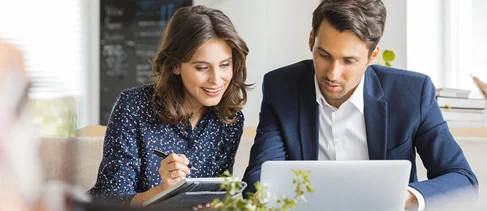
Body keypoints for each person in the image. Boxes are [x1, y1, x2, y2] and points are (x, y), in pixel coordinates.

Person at [242, 0, 477, 210]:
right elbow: (257, 180)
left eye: (348, 61)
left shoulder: (412, 93)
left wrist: (403, 197)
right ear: (311, 40)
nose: (333, 74)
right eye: (324, 55)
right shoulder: (281, 87)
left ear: (373, 55)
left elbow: (462, 178)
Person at [88, 5, 250, 207]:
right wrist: (165, 189)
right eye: (202, 67)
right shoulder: (133, 106)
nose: (216, 80)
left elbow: (216, 194)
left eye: (225, 64)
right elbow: (111, 201)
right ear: (175, 66)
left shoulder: (230, 119)